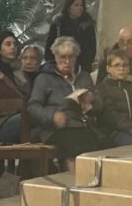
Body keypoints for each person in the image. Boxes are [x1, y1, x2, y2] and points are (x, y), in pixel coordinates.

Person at [28, 36, 98, 165]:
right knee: (75, 141)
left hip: (82, 126)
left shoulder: (84, 77)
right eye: (62, 57)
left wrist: (91, 102)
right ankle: (74, 176)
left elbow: (99, 105)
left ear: (76, 58)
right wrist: (52, 116)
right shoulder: (44, 78)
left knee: (98, 140)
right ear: (55, 57)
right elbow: (33, 107)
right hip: (55, 129)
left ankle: (88, 176)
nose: (67, 61)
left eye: (71, 57)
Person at [95, 48, 132, 146]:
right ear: (108, 69)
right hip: (113, 132)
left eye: (125, 65)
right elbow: (112, 117)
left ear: (129, 68)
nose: (121, 68)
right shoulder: (102, 89)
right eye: (116, 65)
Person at [0, 31, 31, 144]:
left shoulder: (21, 74)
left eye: (15, 44)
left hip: (23, 116)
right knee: (27, 119)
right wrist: (20, 104)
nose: (13, 47)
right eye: (8, 44)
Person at [45, 0, 97, 73]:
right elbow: (50, 46)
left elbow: (91, 49)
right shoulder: (58, 24)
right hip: (59, 66)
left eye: (81, 5)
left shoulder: (87, 25)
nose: (80, 8)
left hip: (82, 67)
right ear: (68, 7)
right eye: (76, 5)